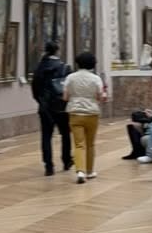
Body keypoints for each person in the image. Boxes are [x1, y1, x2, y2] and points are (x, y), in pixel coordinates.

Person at [62, 51, 107, 183]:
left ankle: (80, 171)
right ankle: (90, 171)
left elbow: (65, 97)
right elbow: (100, 97)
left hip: (75, 112)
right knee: (90, 144)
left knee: (79, 144)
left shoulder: (70, 77)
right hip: (92, 112)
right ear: (92, 64)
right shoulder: (96, 78)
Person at [31, 39, 72, 175]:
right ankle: (66, 161)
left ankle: (48, 166)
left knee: (46, 136)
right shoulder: (64, 67)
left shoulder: (39, 67)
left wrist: (41, 102)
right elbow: (68, 88)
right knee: (65, 134)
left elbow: (35, 89)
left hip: (45, 106)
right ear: (57, 50)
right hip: (61, 106)